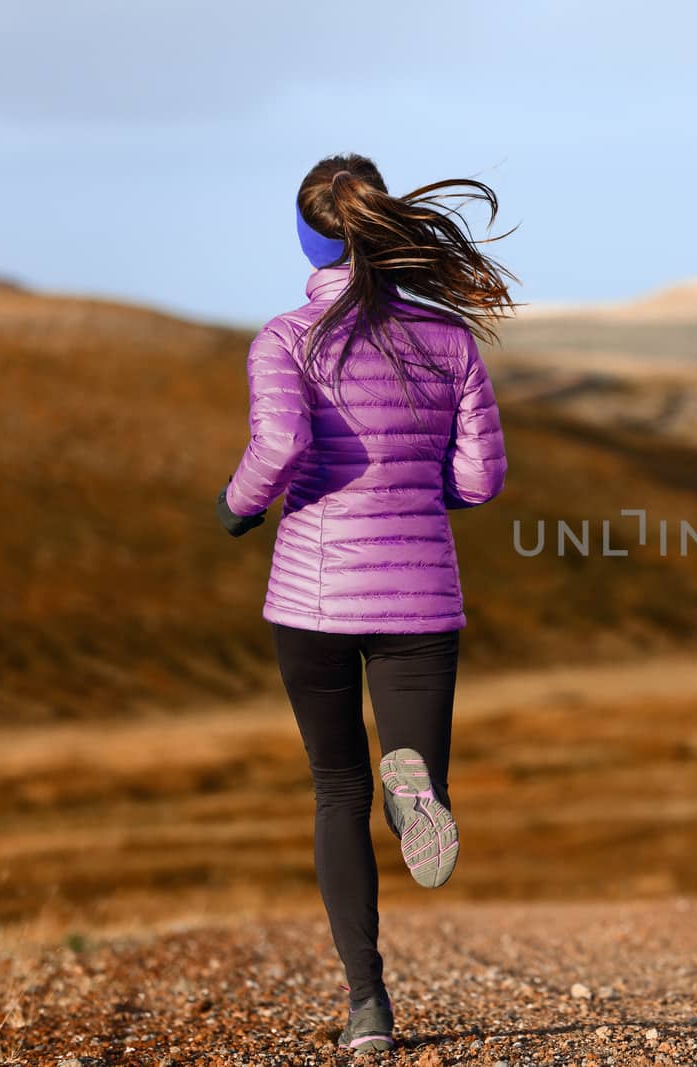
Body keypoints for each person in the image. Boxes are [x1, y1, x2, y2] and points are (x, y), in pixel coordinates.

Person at [216, 153, 514, 1053]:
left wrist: (237, 506)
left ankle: (367, 1006)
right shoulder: (449, 340)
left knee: (335, 788)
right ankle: (418, 784)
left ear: (309, 239)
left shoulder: (284, 339)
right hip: (421, 594)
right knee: (411, 769)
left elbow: (280, 443)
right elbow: (483, 477)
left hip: (314, 595)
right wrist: (426, 499)